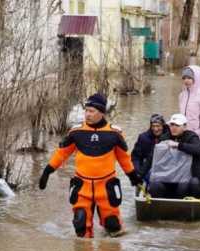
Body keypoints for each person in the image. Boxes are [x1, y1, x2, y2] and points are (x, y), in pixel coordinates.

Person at [38, 93, 142, 238]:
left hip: (106, 186)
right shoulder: (76, 132)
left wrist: (133, 177)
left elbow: (123, 158)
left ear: (101, 112)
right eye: (86, 110)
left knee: (113, 226)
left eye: (91, 111)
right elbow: (62, 154)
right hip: (82, 185)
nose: (87, 114)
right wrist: (47, 171)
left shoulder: (114, 133)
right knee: (80, 226)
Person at [148, 114, 200, 199]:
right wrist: (139, 175)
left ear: (184, 126)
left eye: (177, 125)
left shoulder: (191, 136)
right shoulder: (165, 137)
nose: (173, 127)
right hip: (167, 176)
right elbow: (153, 157)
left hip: (184, 177)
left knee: (185, 186)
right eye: (171, 125)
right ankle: (159, 207)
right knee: (154, 185)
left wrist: (178, 145)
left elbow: (197, 149)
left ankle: (184, 207)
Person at [131, 114, 169, 183]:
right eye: (153, 126)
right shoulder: (143, 138)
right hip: (147, 169)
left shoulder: (170, 136)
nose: (155, 129)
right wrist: (138, 171)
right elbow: (135, 157)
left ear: (163, 126)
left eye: (158, 126)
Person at [179, 65, 200, 142]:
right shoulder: (182, 95)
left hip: (197, 135)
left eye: (189, 78)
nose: (186, 80)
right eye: (184, 78)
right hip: (183, 134)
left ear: (196, 78)